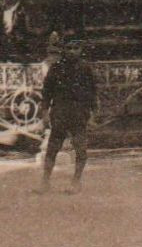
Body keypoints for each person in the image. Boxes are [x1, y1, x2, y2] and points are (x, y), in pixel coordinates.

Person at [37, 35, 98, 194]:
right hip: (60, 112)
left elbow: (92, 93)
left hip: (79, 113)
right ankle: (45, 181)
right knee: (52, 149)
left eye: (75, 48)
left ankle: (76, 182)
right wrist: (44, 112)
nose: (72, 51)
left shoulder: (85, 69)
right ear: (63, 49)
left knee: (80, 149)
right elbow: (46, 92)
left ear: (81, 49)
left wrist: (92, 115)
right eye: (68, 48)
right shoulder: (56, 68)